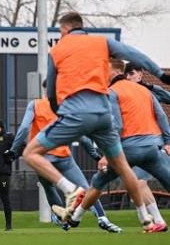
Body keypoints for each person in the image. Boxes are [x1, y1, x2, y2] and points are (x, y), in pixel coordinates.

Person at [22, 11, 170, 231]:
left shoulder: (57, 51)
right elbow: (134, 54)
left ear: (64, 30)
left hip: (76, 115)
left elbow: (51, 90)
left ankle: (70, 191)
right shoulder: (102, 42)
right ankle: (145, 217)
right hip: (104, 118)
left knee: (30, 153)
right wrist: (161, 75)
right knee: (124, 167)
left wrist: (57, 111)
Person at [54, 58, 170, 233]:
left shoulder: (111, 92)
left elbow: (117, 126)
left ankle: (75, 218)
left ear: (116, 71)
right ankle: (75, 217)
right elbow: (161, 116)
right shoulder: (145, 91)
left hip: (128, 150)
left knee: (97, 182)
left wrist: (106, 155)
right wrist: (168, 142)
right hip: (153, 148)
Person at [7, 80, 122, 233]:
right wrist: (94, 154)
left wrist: (14, 151)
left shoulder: (35, 105)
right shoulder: (67, 107)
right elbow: (83, 136)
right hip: (64, 159)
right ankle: (102, 218)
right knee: (87, 189)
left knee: (49, 189)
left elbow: (23, 128)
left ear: (44, 90)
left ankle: (62, 220)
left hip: (43, 159)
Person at [124, 62, 170, 231]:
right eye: (126, 74)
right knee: (138, 182)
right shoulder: (122, 92)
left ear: (141, 75)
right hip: (134, 147)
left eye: (132, 74)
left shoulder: (149, 92)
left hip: (156, 146)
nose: (129, 77)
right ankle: (158, 221)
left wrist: (167, 142)